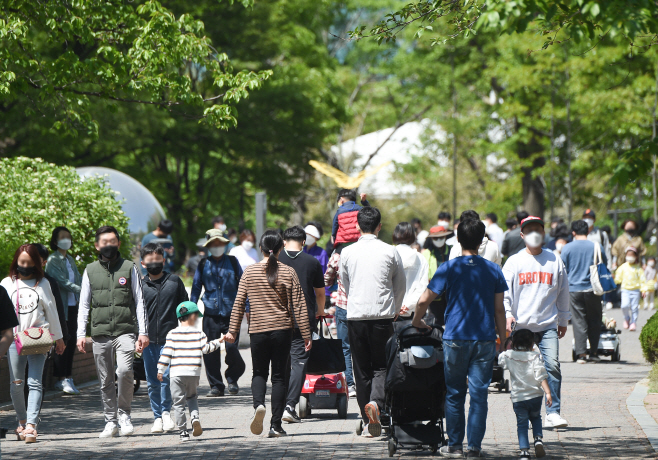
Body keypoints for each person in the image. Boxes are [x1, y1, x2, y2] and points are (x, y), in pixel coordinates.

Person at [412, 218, 508, 458]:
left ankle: (455, 446)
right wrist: (503, 338)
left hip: (455, 337)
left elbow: (425, 299)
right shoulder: (494, 269)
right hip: (485, 338)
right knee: (479, 394)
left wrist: (417, 320)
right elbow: (499, 310)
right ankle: (474, 448)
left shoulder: (449, 267)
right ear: (482, 240)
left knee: (455, 393)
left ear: (458, 239)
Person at [224, 230, 311, 438]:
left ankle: (258, 406)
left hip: (258, 331)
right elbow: (299, 305)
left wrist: (232, 331)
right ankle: (275, 425)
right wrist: (307, 334)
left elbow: (238, 303)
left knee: (259, 373)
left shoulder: (250, 272)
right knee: (280, 377)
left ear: (260, 249)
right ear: (281, 248)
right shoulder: (288, 272)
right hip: (283, 331)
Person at [77, 226, 149, 438]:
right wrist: (81, 333)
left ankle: (124, 415)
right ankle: (110, 421)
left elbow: (139, 301)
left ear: (118, 243)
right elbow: (84, 304)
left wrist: (143, 332)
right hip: (100, 333)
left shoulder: (129, 267)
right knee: (105, 379)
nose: (108, 245)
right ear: (97, 245)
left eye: (112, 241)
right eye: (104, 242)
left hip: (125, 331)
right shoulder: (90, 270)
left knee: (125, 371)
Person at [340, 207, 406, 438]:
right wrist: (396, 309)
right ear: (379, 226)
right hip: (383, 315)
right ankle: (377, 404)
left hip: (356, 316)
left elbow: (345, 283)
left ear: (357, 226)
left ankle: (367, 418)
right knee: (382, 366)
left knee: (361, 370)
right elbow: (400, 285)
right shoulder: (390, 251)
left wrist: (356, 300)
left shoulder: (347, 253)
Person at [502, 216, 570, 429]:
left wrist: (563, 318)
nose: (534, 233)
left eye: (537, 229)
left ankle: (553, 412)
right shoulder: (514, 261)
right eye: (529, 230)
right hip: (522, 326)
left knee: (552, 366)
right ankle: (527, 413)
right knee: (524, 371)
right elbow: (505, 292)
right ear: (522, 235)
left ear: (543, 233)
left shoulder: (554, 259)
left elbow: (563, 291)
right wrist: (507, 314)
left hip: (548, 324)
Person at [2, 244, 65, 443]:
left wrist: (59, 338)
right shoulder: (6, 284)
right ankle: (21, 421)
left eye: (30, 263)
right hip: (13, 339)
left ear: (37, 264)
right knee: (16, 384)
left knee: (35, 382)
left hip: (38, 338)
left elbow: (52, 311)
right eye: (22, 262)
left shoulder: (44, 283)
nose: (25, 266)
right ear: (16, 262)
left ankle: (31, 426)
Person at [278, 226, 326, 424]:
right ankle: (290, 406)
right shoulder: (312, 262)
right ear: (304, 242)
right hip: (303, 320)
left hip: (277, 320)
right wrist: (320, 311)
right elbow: (320, 293)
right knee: (299, 363)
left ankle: (275, 407)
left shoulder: (275, 261)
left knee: (281, 363)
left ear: (283, 241)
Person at [191, 229, 246, 397]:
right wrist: (191, 310)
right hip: (211, 315)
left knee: (232, 348)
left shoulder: (233, 261)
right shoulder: (202, 264)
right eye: (213, 244)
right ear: (208, 246)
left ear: (224, 244)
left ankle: (232, 378)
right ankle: (216, 386)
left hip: (232, 313)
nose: (217, 247)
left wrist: (248, 307)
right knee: (210, 351)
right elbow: (195, 288)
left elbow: (243, 286)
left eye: (219, 244)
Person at [157, 301, 223, 442]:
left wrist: (160, 370)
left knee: (178, 403)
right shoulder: (199, 333)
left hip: (176, 374)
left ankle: (183, 432)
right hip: (193, 372)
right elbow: (206, 349)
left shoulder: (172, 333)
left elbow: (166, 354)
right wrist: (219, 341)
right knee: (192, 397)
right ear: (192, 316)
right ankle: (195, 418)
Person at [141, 242, 189, 433]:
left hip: (171, 340)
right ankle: (157, 417)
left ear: (164, 260)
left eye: (158, 259)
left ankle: (166, 413)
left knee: (167, 377)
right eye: (150, 260)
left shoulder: (174, 281)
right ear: (143, 263)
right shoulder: (140, 284)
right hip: (148, 340)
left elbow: (185, 308)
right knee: (152, 380)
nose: (154, 263)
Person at [498, 329, 553, 460]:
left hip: (519, 398)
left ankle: (524, 452)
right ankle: (538, 439)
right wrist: (548, 393)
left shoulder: (509, 355)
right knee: (536, 417)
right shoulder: (534, 356)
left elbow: (500, 361)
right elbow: (541, 375)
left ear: (514, 343)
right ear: (531, 344)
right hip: (535, 396)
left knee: (522, 424)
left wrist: (506, 347)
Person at [560, 220, 607, 363]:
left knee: (578, 321)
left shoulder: (567, 248)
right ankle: (593, 352)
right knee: (595, 319)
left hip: (574, 289)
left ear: (573, 232)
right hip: (593, 288)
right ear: (588, 231)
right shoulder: (596, 246)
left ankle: (581, 355)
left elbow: (562, 268)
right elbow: (604, 262)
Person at [45, 226, 81, 395]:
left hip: (73, 306)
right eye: (63, 237)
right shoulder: (53, 260)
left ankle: (68, 376)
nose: (67, 239)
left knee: (72, 340)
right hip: (61, 307)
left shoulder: (70, 259)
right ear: (55, 241)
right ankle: (60, 379)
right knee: (62, 341)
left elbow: (78, 278)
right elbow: (61, 282)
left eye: (69, 236)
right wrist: (82, 290)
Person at [34, 244, 71, 393]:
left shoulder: (49, 282)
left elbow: (57, 312)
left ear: (44, 262)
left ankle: (32, 416)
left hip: (43, 338)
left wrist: (62, 338)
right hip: (17, 338)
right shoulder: (12, 282)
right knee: (18, 382)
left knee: (37, 383)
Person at [324, 244, 355, 396]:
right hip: (364, 307)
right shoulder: (362, 251)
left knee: (345, 347)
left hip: (343, 306)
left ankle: (350, 384)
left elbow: (327, 280)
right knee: (363, 347)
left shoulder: (337, 256)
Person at [393, 222, 429, 318]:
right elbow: (423, 286)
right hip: (411, 311)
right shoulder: (421, 259)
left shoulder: (389, 254)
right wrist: (408, 305)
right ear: (413, 235)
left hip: (389, 310)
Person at [614, 246, 647, 331]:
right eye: (628, 255)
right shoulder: (623, 267)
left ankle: (633, 322)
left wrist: (643, 289)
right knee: (624, 305)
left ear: (636, 256)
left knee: (634, 307)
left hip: (635, 291)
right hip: (625, 290)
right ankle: (626, 318)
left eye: (632, 255)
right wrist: (613, 280)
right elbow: (618, 278)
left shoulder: (638, 269)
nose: (630, 257)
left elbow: (642, 280)